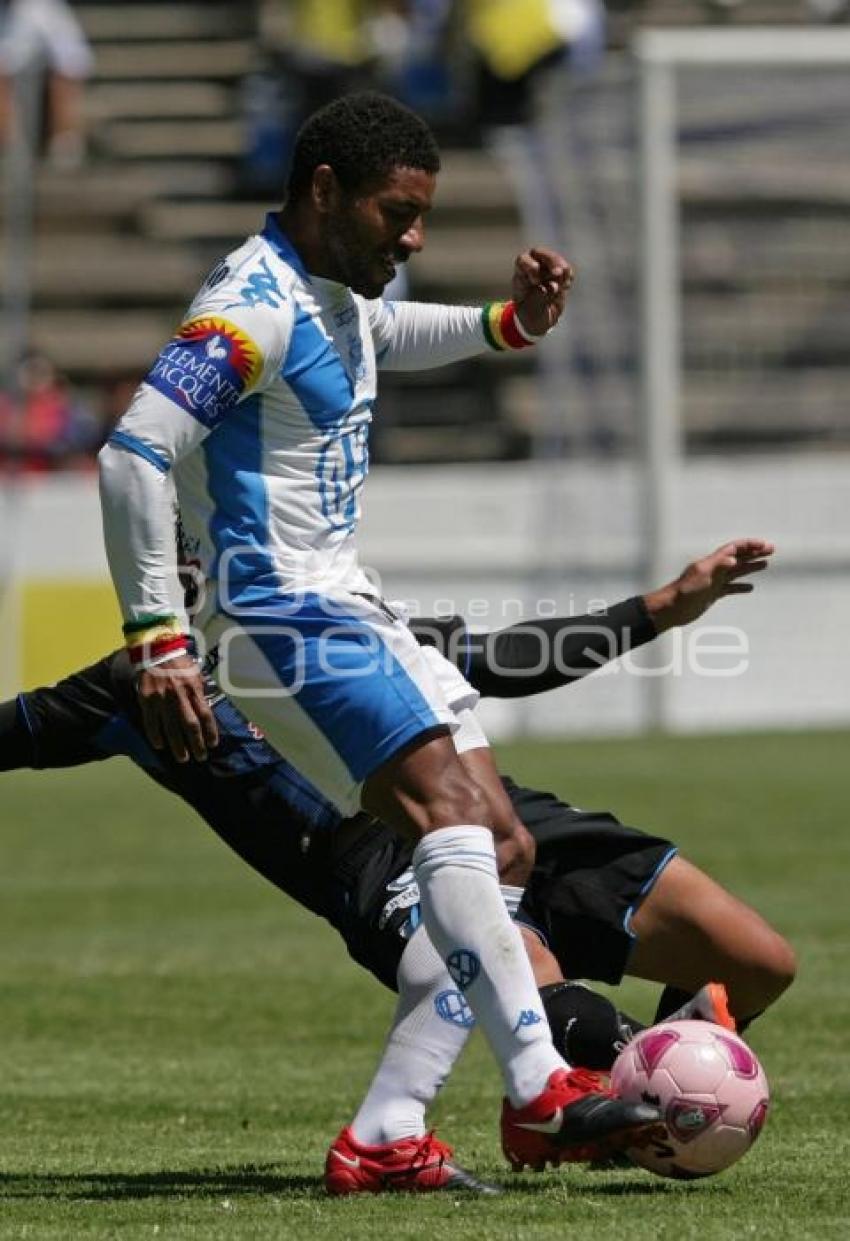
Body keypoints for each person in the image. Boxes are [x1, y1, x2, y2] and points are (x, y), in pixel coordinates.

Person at [98, 89, 663, 1174]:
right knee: (452, 816)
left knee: (500, 848)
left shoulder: (337, 294)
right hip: (277, 614)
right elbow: (133, 451)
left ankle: (388, 1128)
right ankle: (540, 1082)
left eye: (421, 217)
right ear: (323, 193)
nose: (412, 238)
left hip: (346, 602)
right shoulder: (247, 309)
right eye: (396, 214)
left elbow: (388, 334)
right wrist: (155, 638)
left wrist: (507, 326)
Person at [0, 537, 794, 1192]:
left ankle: (641, 1096)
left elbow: (500, 658)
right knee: (536, 979)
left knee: (759, 961)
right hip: (381, 864)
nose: (192, 568)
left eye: (201, 546)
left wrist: (660, 607)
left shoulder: (329, 620)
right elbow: (16, 731)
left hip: (504, 814)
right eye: (169, 555)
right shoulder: (131, 689)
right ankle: (631, 1097)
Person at [0, 0, 93, 168]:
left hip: (43, 70)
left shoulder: (47, 10)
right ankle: (6, 143)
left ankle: (66, 142)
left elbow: (73, 62)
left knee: (67, 71)